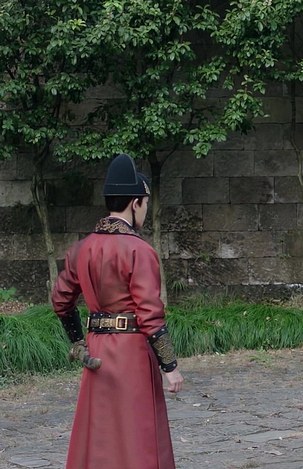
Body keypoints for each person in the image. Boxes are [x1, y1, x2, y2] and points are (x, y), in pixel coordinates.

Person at [52, 153, 184, 469]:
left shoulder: (81, 249)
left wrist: (78, 341)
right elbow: (150, 314)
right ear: (135, 203)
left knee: (101, 437)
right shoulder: (139, 250)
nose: (146, 210)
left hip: (96, 351)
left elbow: (61, 301)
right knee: (137, 436)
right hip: (131, 354)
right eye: (146, 204)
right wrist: (170, 366)